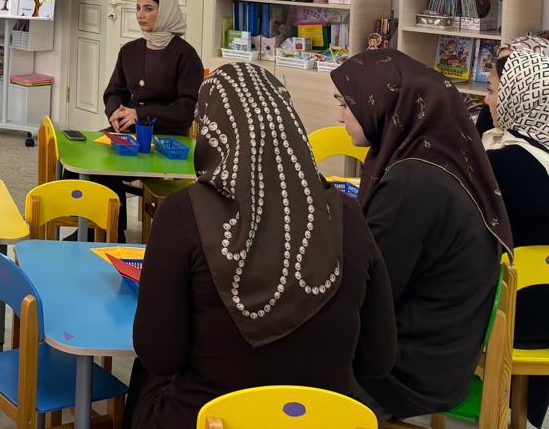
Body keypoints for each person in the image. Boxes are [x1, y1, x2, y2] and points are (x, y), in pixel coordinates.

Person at [124, 63, 396, 429]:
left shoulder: (183, 213)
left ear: (211, 131)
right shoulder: (347, 214)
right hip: (321, 421)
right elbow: (378, 359)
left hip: (213, 418)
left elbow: (160, 355)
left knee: (145, 378)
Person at [331, 49, 512, 421]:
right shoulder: (435, 158)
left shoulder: (412, 186)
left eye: (346, 104)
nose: (340, 116)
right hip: (438, 354)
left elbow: (365, 290)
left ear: (383, 104)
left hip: (406, 374)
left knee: (273, 370)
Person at [483, 41, 549, 426]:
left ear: (517, 98)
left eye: (493, 90)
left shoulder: (506, 163)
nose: (487, 100)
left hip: (515, 316)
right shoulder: (531, 148)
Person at [103, 0, 203, 135]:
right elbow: (114, 92)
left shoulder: (186, 55)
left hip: (167, 137)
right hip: (129, 131)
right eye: (138, 8)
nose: (140, 15)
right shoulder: (128, 50)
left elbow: (187, 109)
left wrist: (140, 114)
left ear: (166, 12)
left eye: (148, 9)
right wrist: (115, 113)